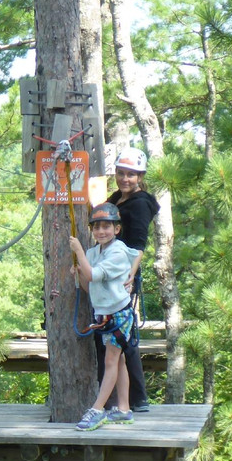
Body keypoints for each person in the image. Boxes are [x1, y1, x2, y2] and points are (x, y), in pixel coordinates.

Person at [98, 147, 159, 412]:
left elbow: (138, 244)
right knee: (114, 334)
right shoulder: (116, 199)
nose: (125, 179)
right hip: (110, 272)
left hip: (123, 274)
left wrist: (131, 275)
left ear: (140, 176)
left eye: (131, 175)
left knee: (123, 336)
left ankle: (138, 398)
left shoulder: (141, 202)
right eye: (121, 173)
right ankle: (125, 397)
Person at [70, 202, 136, 431]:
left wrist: (78, 253)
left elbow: (94, 274)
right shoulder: (92, 253)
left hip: (118, 314)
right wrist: (80, 272)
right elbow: (90, 288)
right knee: (118, 360)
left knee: (110, 361)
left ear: (116, 229)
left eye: (106, 226)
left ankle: (97, 410)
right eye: (96, 227)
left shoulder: (118, 252)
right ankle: (124, 409)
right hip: (105, 314)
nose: (101, 231)